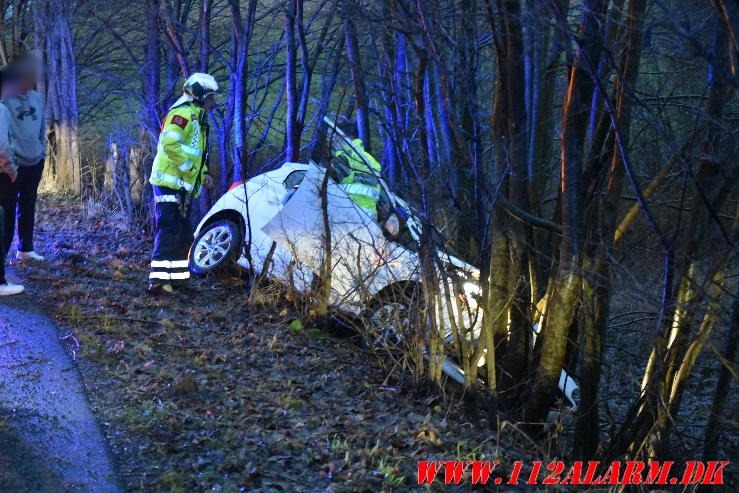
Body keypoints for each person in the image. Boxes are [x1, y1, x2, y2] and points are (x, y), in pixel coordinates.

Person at [147, 73, 218, 296]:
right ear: (199, 94)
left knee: (185, 232)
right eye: (210, 97)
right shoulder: (183, 114)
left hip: (185, 186)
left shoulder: (198, 118)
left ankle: (177, 280)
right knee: (169, 229)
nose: (213, 102)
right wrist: (190, 170)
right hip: (169, 183)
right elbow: (169, 144)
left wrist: (203, 174)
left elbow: (197, 154)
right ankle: (159, 282)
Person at [0, 52, 46, 262]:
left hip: (34, 161)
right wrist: (9, 162)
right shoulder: (5, 99)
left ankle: (25, 249)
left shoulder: (36, 97)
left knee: (28, 205)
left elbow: (41, 127)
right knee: (8, 211)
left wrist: (42, 153)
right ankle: (3, 259)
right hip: (13, 164)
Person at [331, 128, 400, 236]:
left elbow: (327, 175)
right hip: (369, 214)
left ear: (349, 137)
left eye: (337, 138)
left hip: (351, 210)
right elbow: (379, 189)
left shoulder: (346, 155)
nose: (335, 141)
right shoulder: (368, 159)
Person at [0, 65, 24, 295]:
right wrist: (12, 170)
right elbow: (3, 146)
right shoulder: (1, 110)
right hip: (2, 176)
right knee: (4, 224)